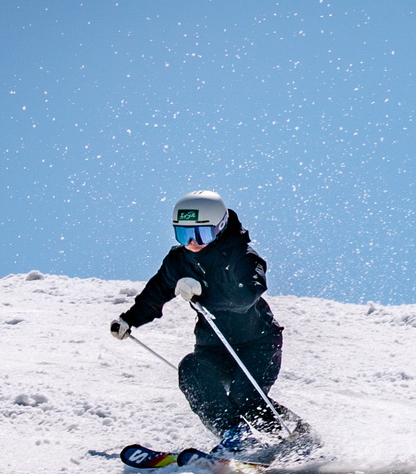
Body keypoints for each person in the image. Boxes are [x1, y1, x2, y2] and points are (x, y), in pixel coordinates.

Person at [110, 190, 308, 457]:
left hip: (257, 343)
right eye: (183, 235)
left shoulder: (243, 256)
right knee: (190, 370)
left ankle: (299, 438)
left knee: (245, 397)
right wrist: (129, 320)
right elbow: (156, 293)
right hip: (213, 345)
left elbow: (246, 295)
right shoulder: (178, 260)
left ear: (221, 227)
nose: (192, 242)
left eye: (201, 235)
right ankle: (236, 435)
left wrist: (204, 290)